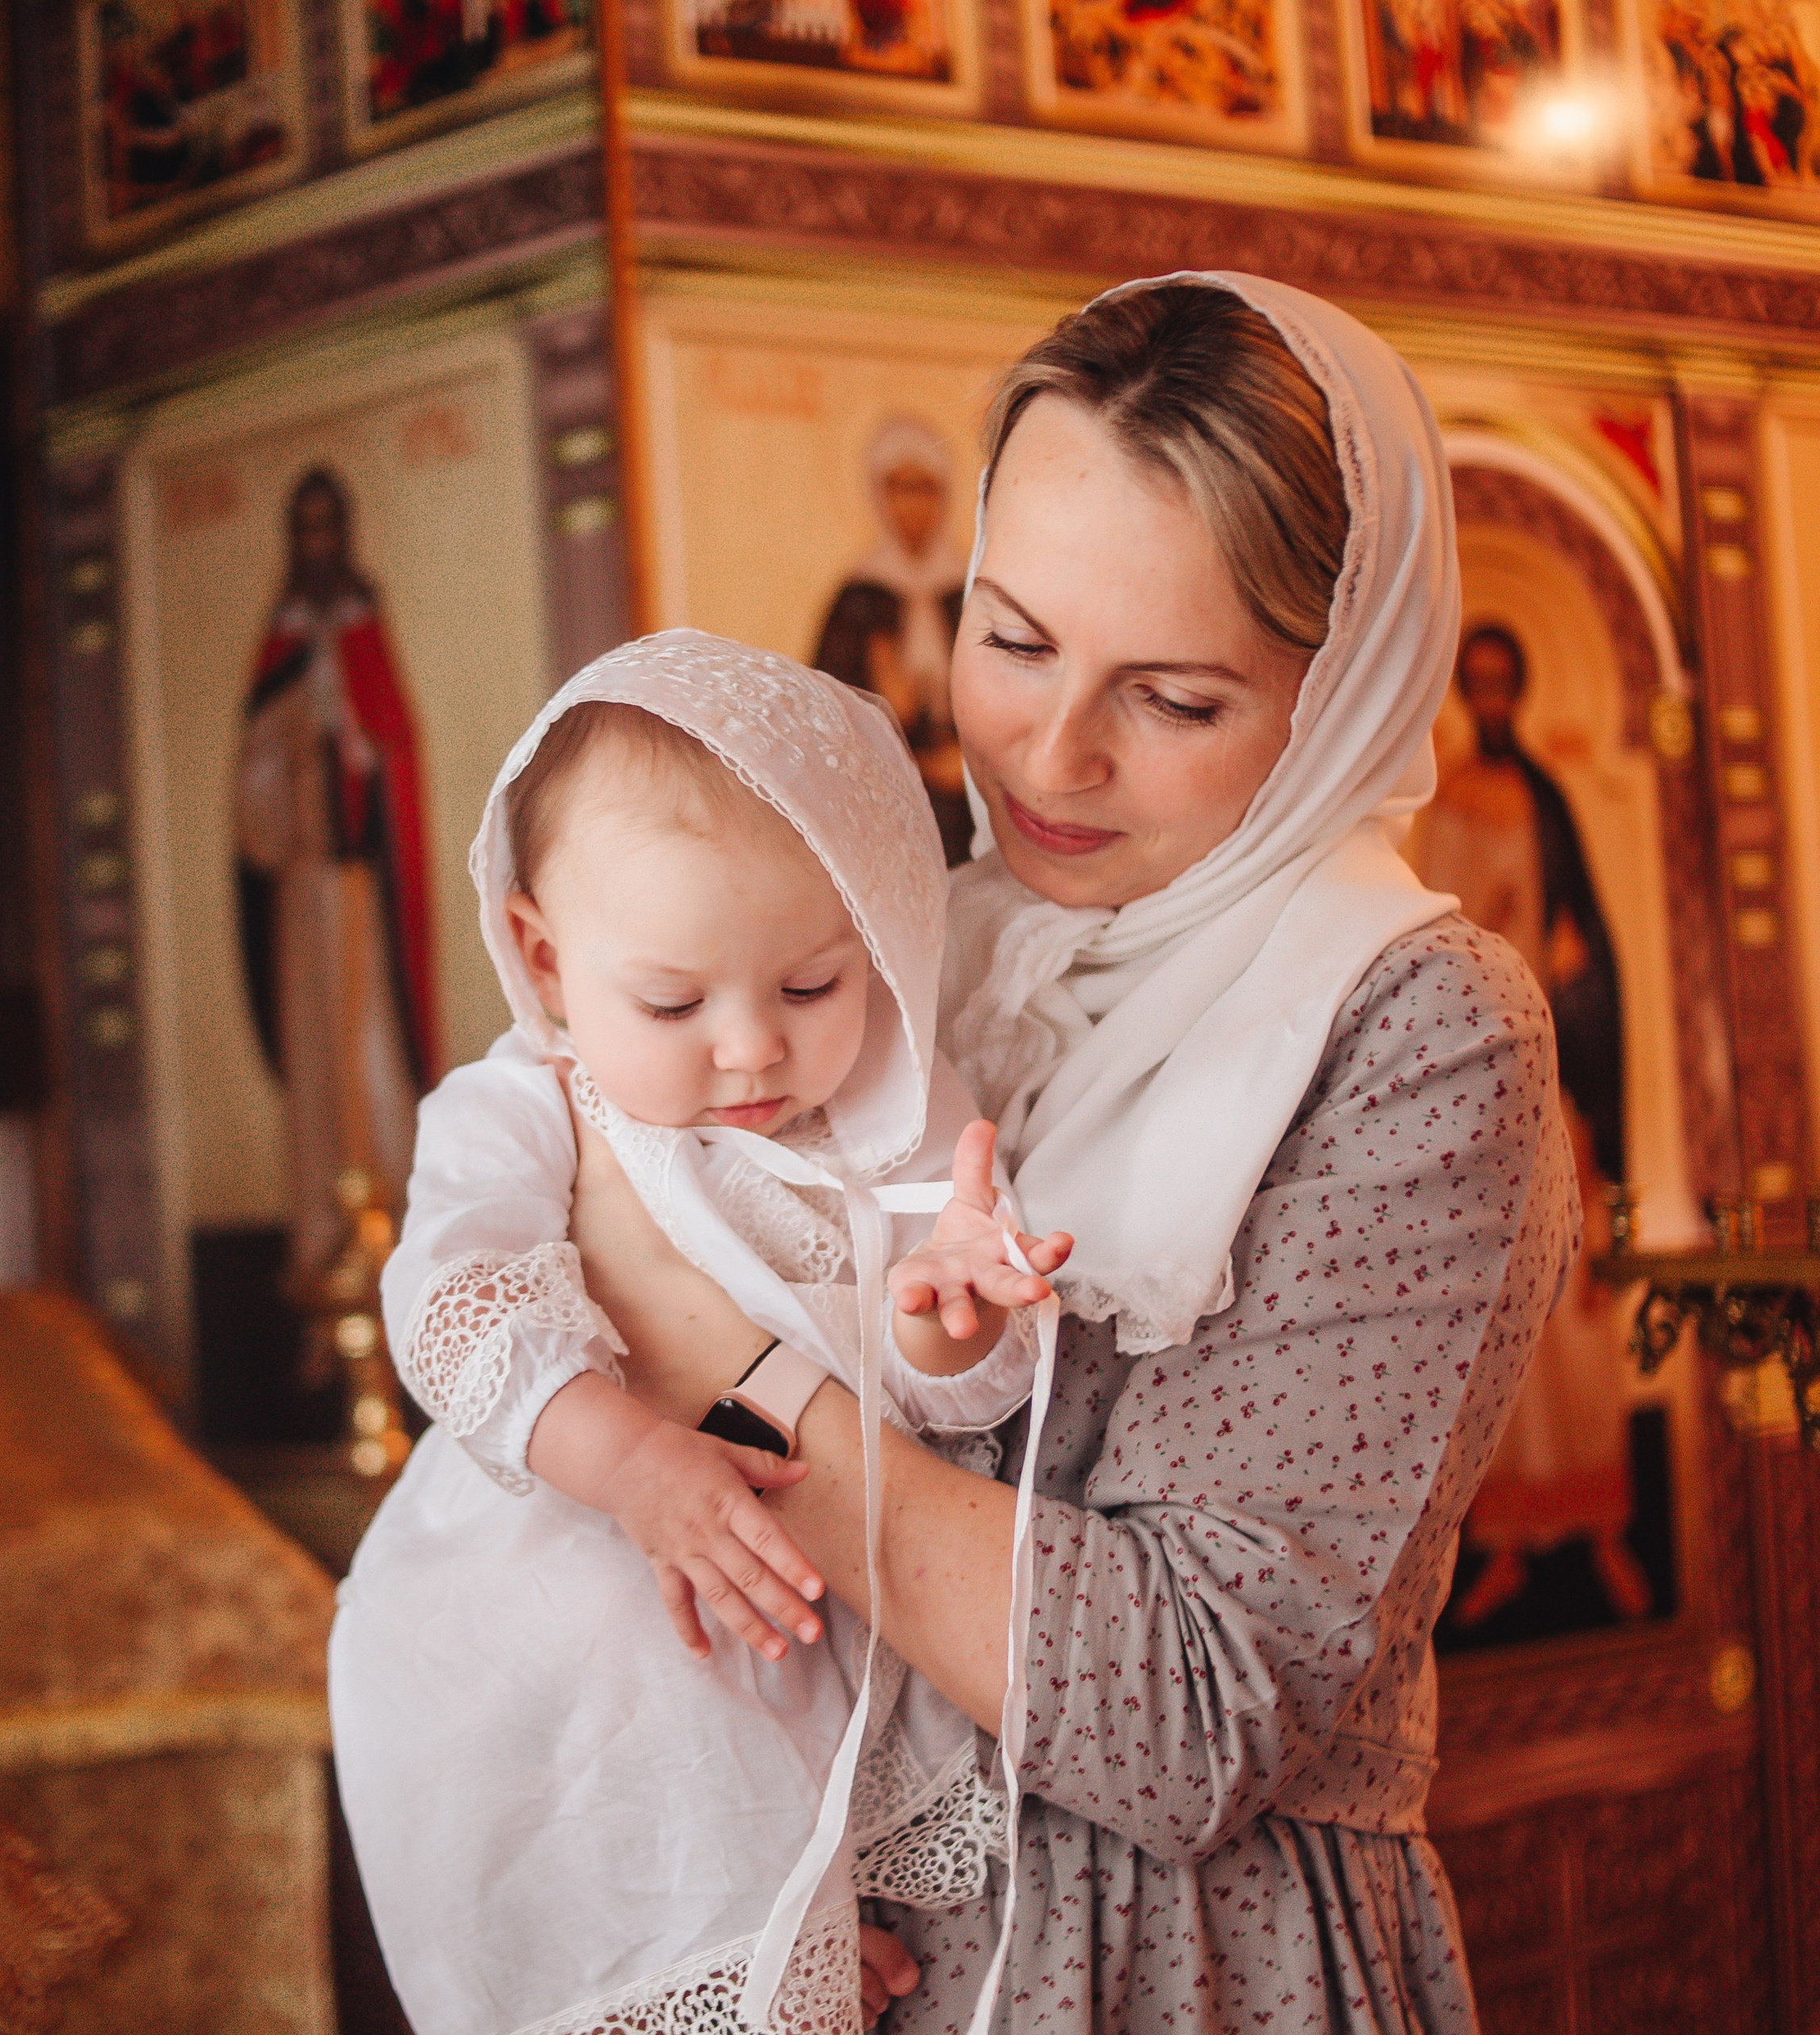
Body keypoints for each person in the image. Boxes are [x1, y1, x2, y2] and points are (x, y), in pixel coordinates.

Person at [563, 273, 1580, 2030]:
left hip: (1172, 1964)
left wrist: (708, 1352)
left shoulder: (1415, 1029)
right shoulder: (895, 948)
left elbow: (1187, 1717)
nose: (1048, 751)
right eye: (1013, 638)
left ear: (1342, 695)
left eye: (1172, 700)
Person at [328, 634, 1072, 2034]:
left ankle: (784, 1937)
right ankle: (728, 1958)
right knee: (618, 1739)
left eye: (812, 987)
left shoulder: (897, 1109)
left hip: (815, 1616)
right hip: (570, 1582)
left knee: (773, 1796)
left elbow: (939, 1401)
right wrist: (628, 1463)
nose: (751, 1050)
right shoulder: (530, 1103)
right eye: (674, 1004)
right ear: (545, 958)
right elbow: (454, 1302)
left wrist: (948, 1323)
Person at [1416, 623, 1648, 1629]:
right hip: (1488, 1078)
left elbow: (1582, 935)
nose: (1494, 698)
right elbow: (1441, 929)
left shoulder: (1546, 799)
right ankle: (1506, 1542)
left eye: (1505, 681)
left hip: (1551, 1070)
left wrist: (1569, 961)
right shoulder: (1449, 803)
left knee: (1576, 1316)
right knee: (1505, 1321)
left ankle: (1601, 1527)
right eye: (1479, 683)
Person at [235, 467, 438, 1291]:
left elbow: (394, 746)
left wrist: (354, 744)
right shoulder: (280, 642)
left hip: (360, 886)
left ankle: (399, 1239)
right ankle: (323, 1248)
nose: (318, 545)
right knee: (318, 1063)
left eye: (329, 527)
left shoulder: (363, 624)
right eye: (305, 529)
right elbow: (251, 787)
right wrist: (287, 772)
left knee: (374, 1052)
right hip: (301, 890)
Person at [815, 420, 974, 866]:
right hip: (884, 798)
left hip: (968, 793)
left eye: (925, 489)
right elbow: (826, 708)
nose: (913, 505)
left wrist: (970, 763)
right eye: (900, 488)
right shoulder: (858, 599)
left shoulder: (968, 592)